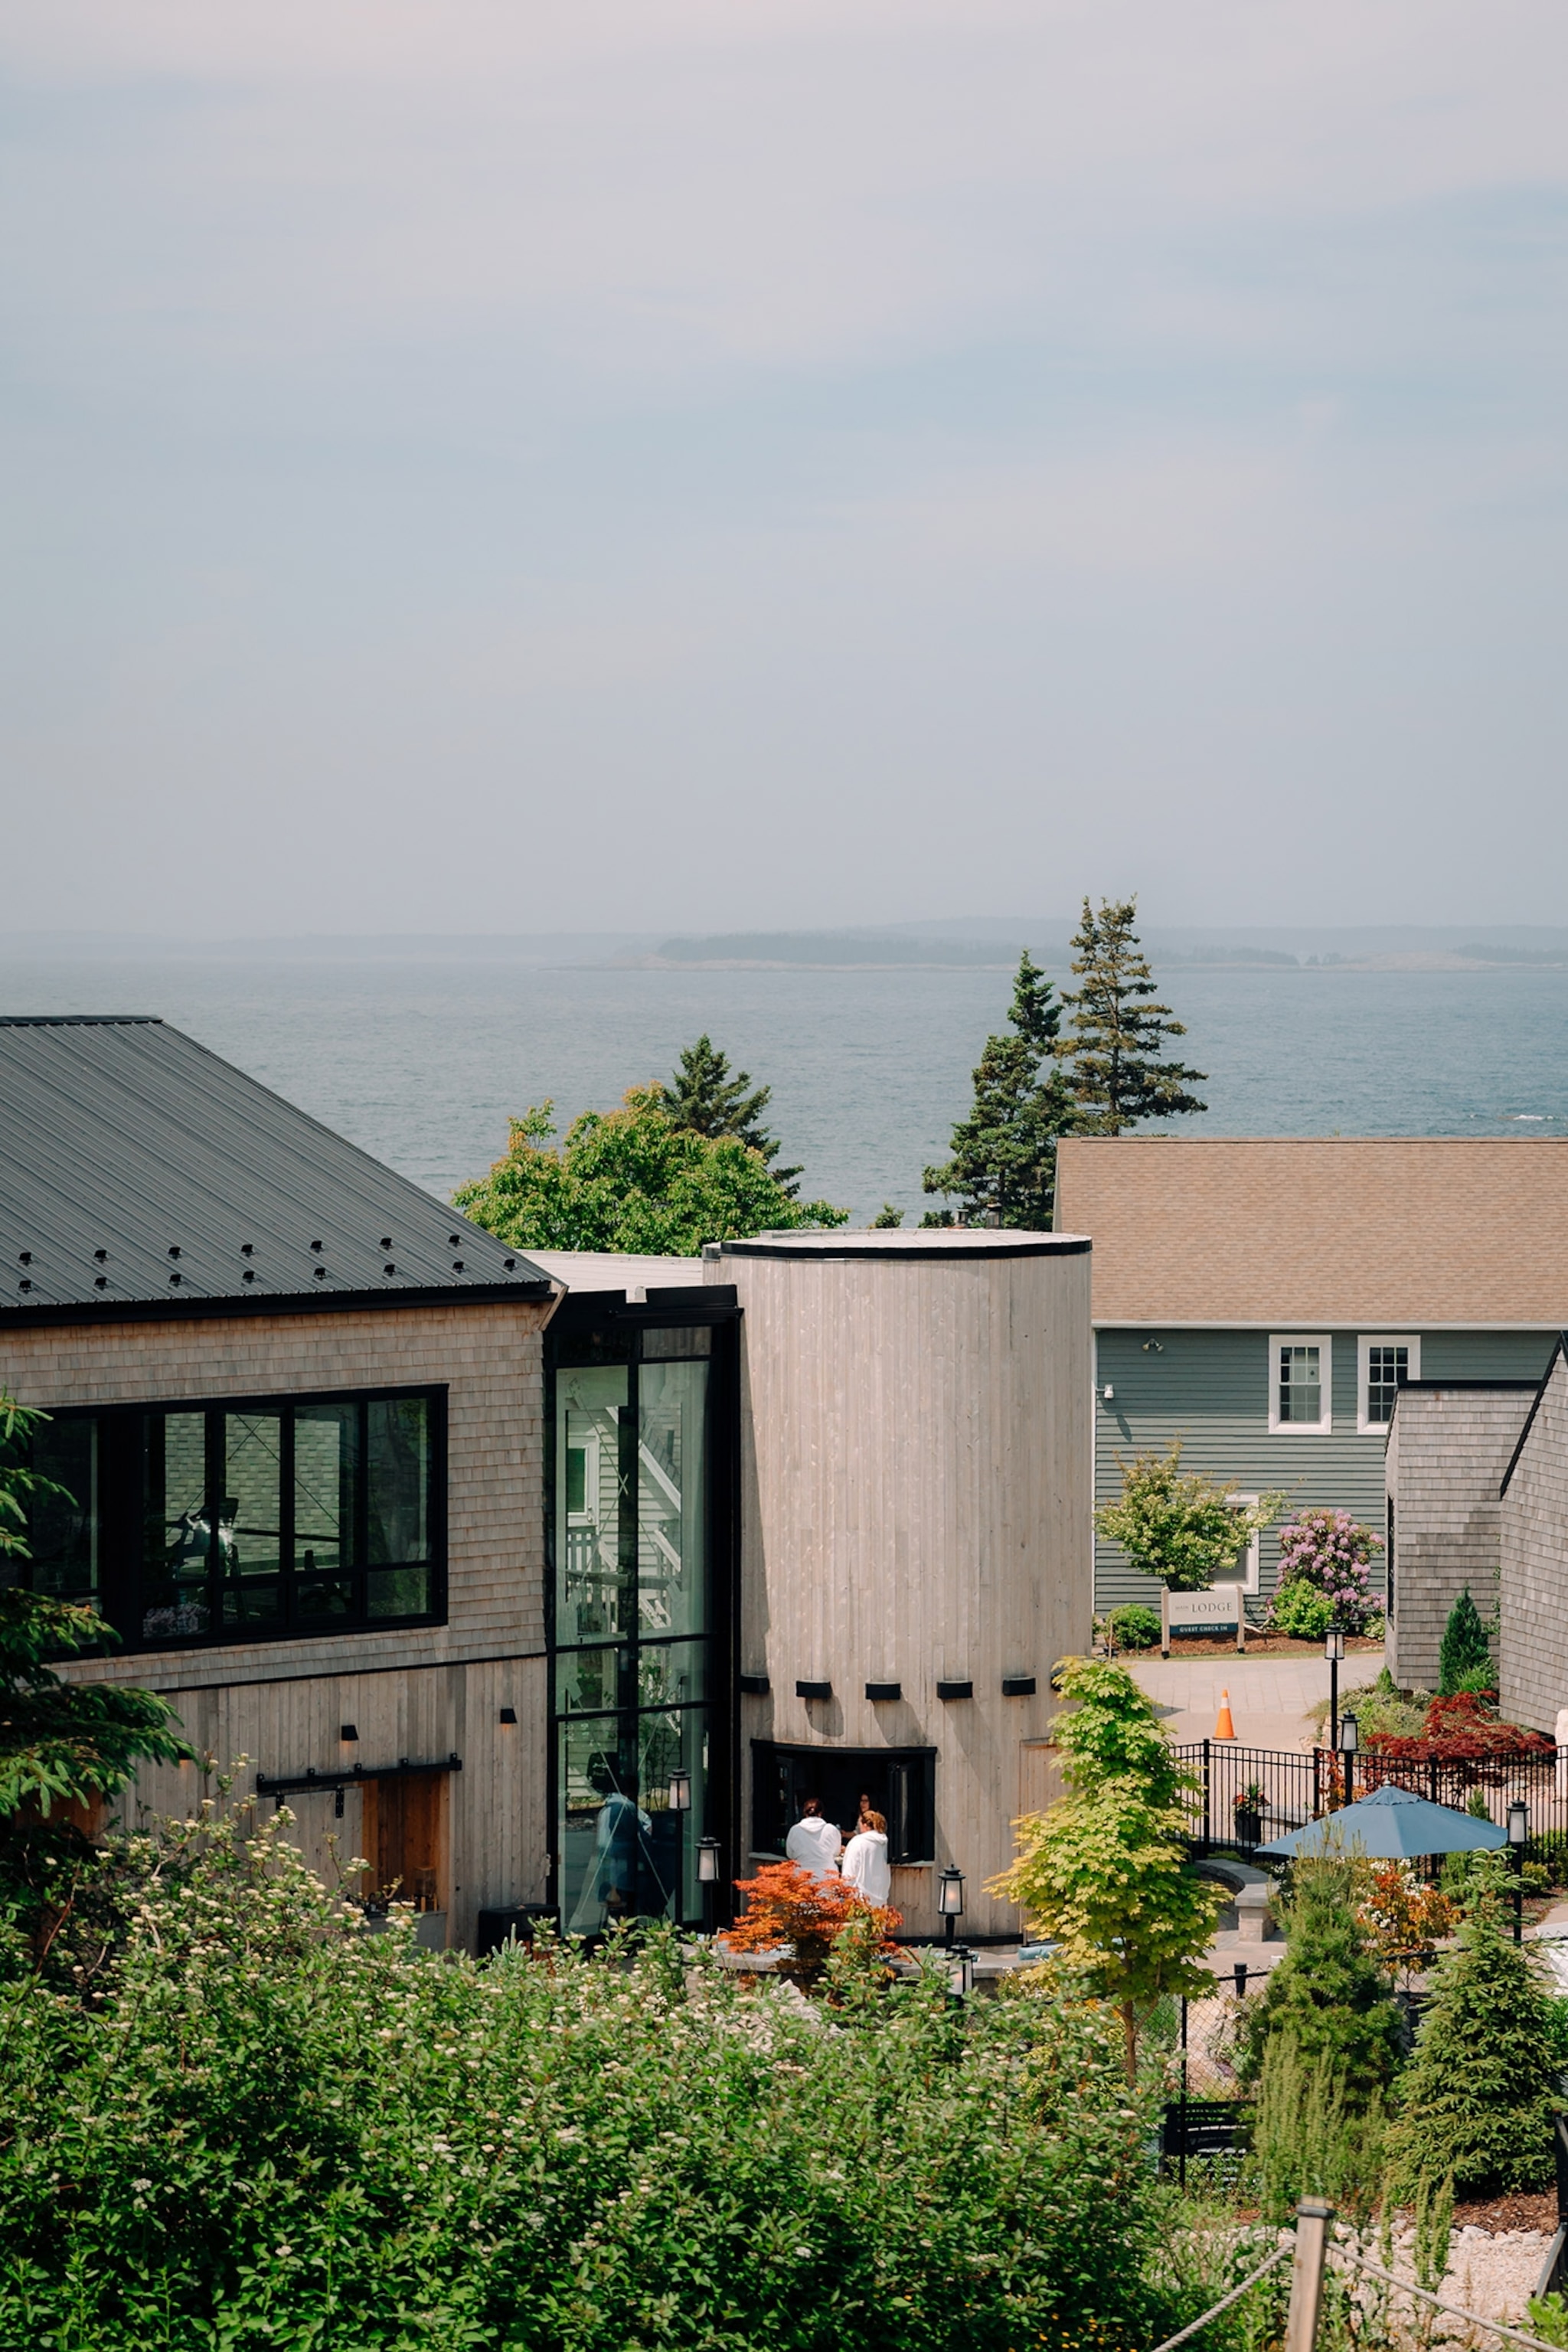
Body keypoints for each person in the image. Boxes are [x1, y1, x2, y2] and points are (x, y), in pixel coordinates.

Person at [841, 1808, 892, 1906]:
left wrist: (846, 1896)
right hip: (881, 1899)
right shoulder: (884, 1843)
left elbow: (849, 1873)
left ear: (865, 1825)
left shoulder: (858, 1842)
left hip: (860, 1900)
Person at [785, 1796, 842, 1882]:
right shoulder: (832, 1830)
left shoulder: (795, 1830)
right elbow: (836, 1852)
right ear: (820, 1813)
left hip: (801, 1878)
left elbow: (790, 1854)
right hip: (827, 1879)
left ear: (805, 1813)